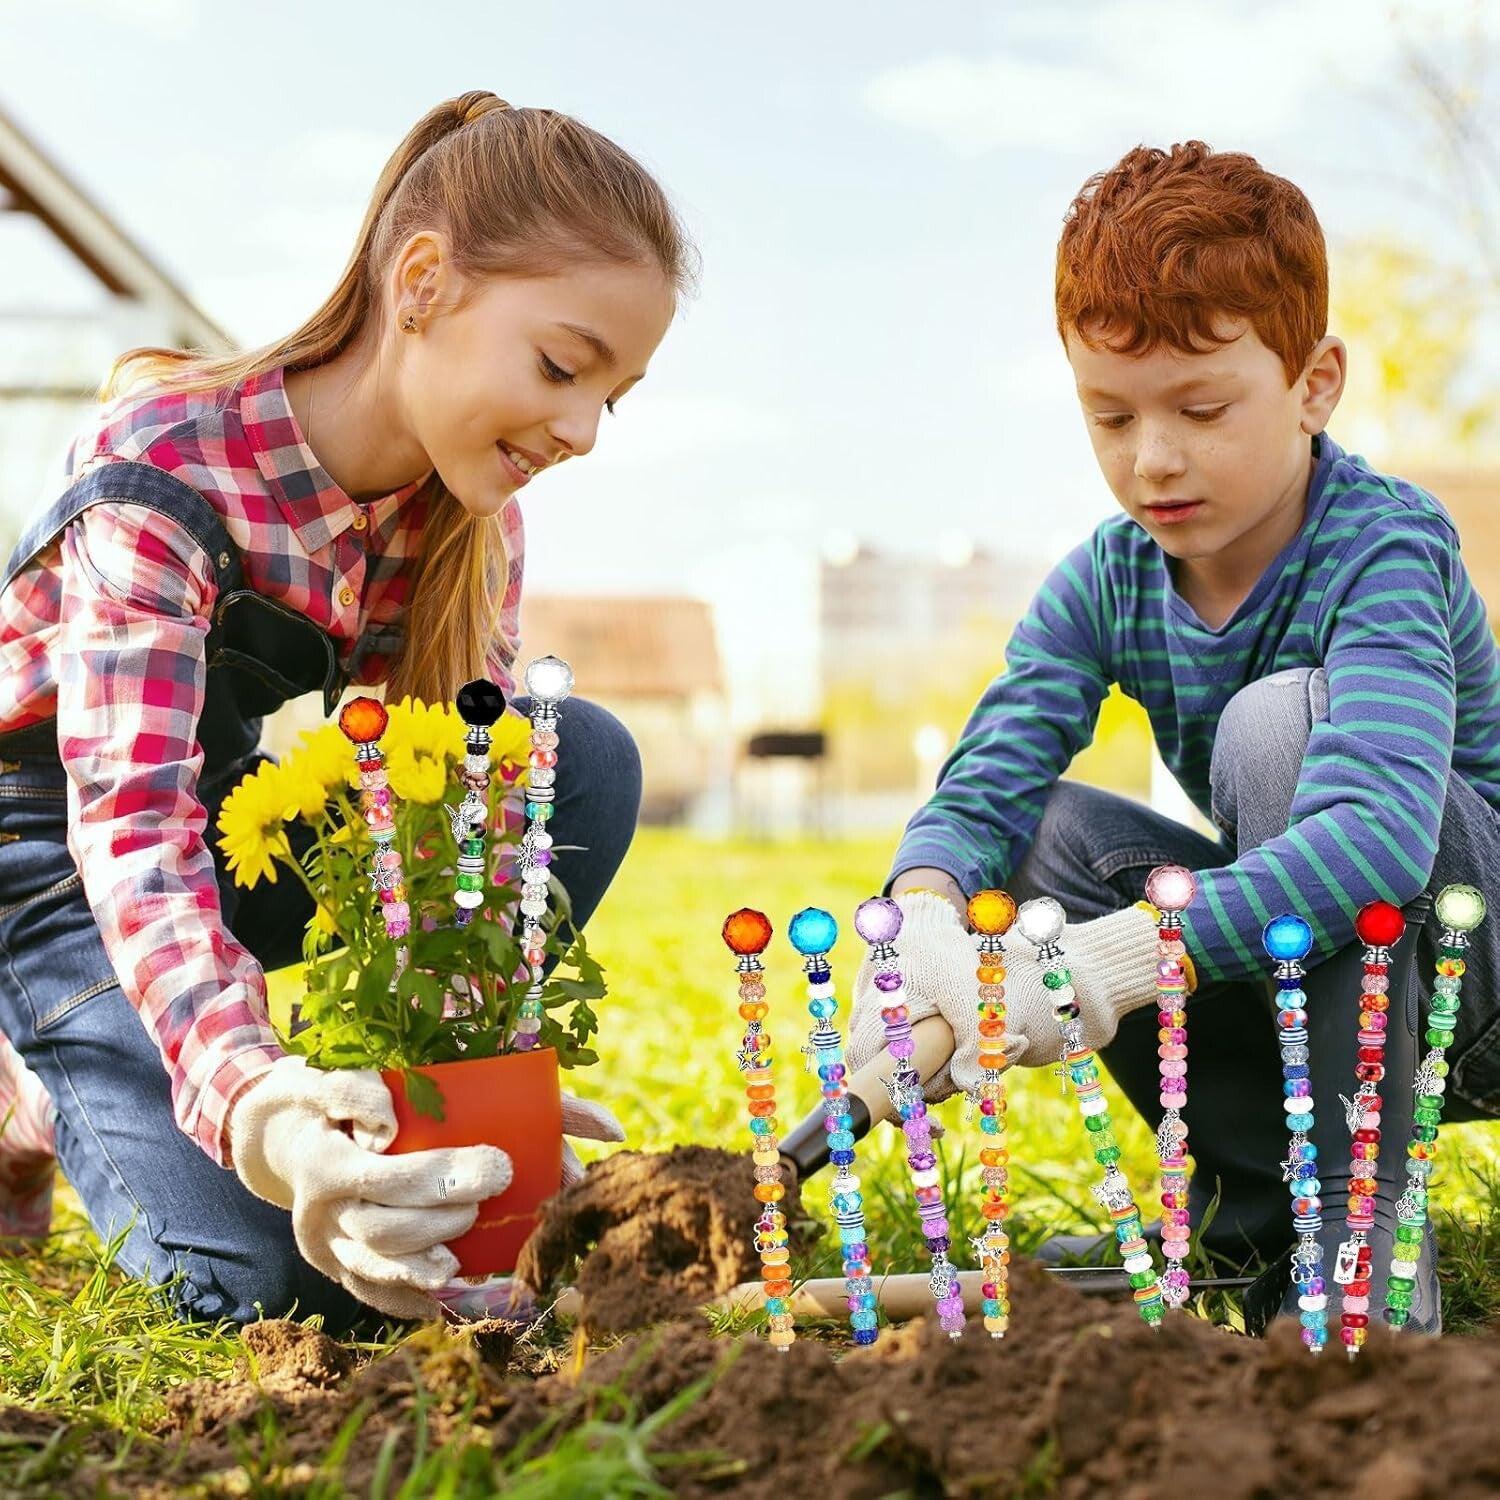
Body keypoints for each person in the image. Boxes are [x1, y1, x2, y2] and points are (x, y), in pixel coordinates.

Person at [0, 90, 693, 1332]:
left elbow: (454, 853)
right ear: (421, 282)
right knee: (272, 1281)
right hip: (48, 865)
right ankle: (30, 1081)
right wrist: (272, 1122)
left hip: (207, 830)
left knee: (558, 764)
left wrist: (469, 1128)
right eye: (560, 367)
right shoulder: (164, 465)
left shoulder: (472, 524)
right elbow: (133, 839)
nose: (585, 430)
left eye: (615, 395)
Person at [850, 141, 1500, 1337]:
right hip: (1300, 973)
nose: (1152, 458)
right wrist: (928, 912)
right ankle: (1253, 1210)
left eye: (1201, 409)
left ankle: (1365, 1229)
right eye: (1111, 414)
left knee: (1274, 726)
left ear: (1313, 385)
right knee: (1041, 835)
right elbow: (989, 777)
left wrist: (1113, 961)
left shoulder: (1388, 547)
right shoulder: (1107, 580)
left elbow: (1372, 846)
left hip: (1463, 972)